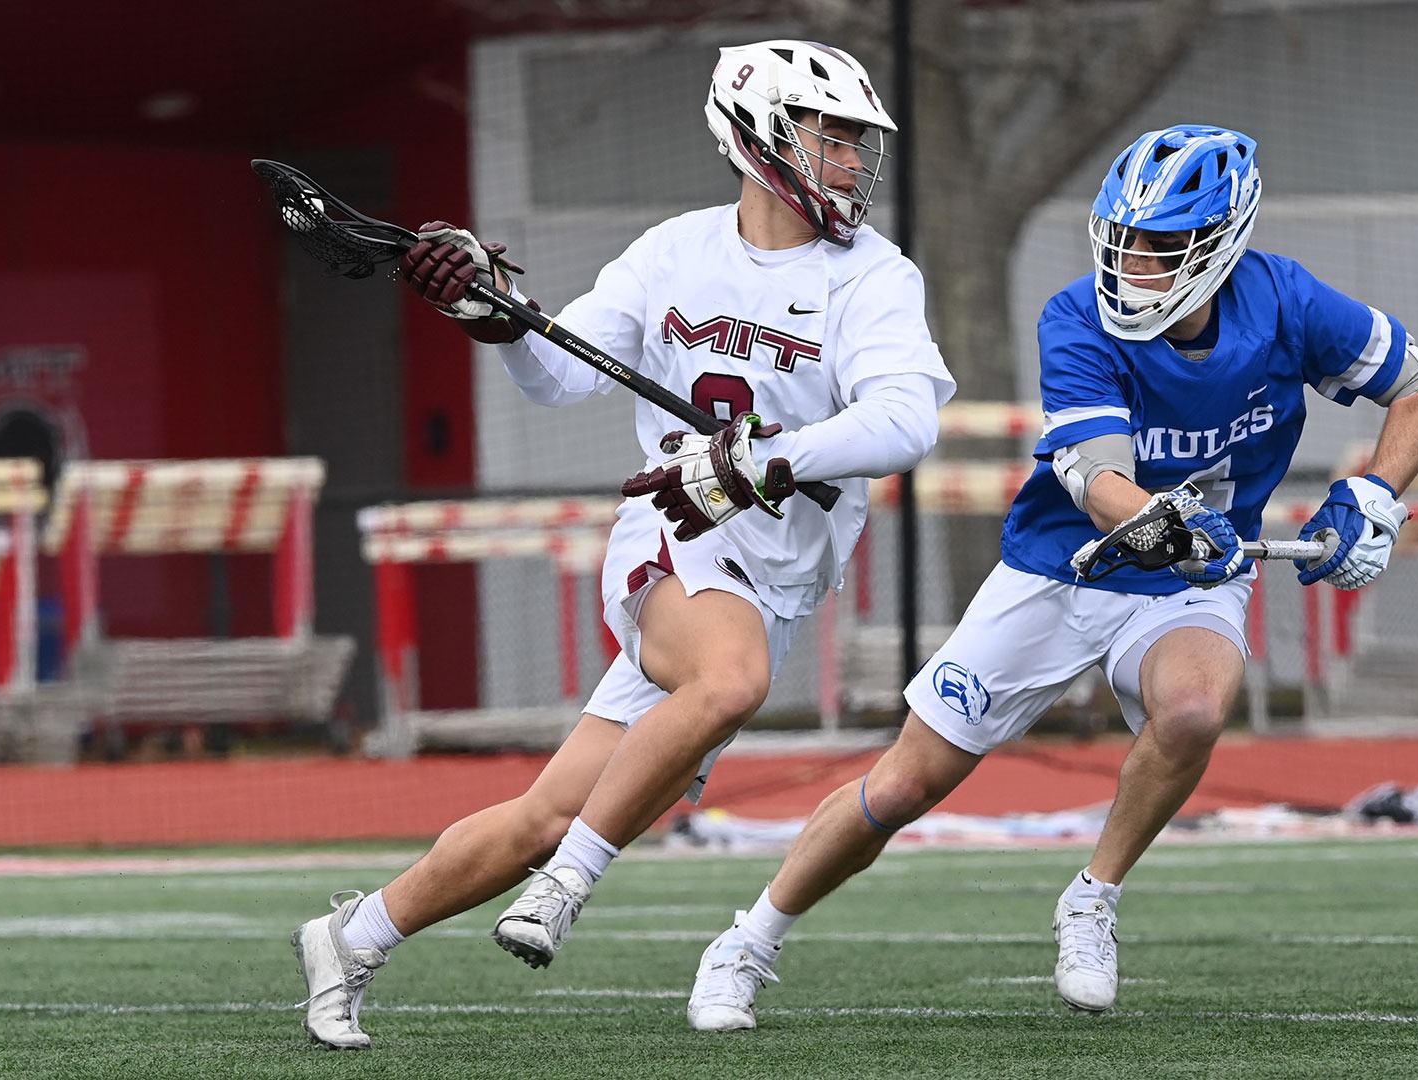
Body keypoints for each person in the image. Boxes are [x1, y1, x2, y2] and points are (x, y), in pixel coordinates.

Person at [683, 124, 1418, 1030]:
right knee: (901, 786)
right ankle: (749, 940)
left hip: (1188, 583)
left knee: (1199, 709)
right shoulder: (1077, 314)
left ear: (1221, 249)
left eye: (1161, 250)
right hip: (1061, 566)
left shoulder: (1287, 302)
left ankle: (1093, 896)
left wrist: (1373, 496)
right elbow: (1097, 481)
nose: (1133, 267)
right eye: (1123, 242)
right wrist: (1160, 521)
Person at [291, 39, 954, 1050]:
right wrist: (493, 320)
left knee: (546, 813)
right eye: (835, 137)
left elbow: (906, 421)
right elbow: (563, 374)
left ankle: (352, 935)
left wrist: (770, 462)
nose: (858, 161)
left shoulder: (871, 277)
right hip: (675, 532)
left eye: (863, 142)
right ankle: (570, 889)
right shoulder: (673, 252)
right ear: (762, 135)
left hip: (775, 572)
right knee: (727, 682)